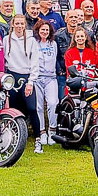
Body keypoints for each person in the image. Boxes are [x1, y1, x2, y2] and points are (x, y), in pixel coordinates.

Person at [29, 20, 60, 151]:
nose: (45, 32)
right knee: (38, 106)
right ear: (37, 30)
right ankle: (42, 132)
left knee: (53, 103)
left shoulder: (53, 44)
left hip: (51, 78)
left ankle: (52, 130)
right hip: (37, 78)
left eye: (47, 30)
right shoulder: (33, 43)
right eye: (42, 29)